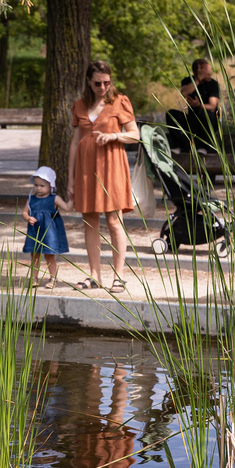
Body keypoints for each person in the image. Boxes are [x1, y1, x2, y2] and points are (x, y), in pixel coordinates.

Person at [68, 60, 140, 294]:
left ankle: (119, 277)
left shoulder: (120, 102)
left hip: (112, 166)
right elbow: (75, 143)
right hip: (86, 169)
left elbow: (135, 135)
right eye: (97, 83)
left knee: (113, 221)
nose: (102, 87)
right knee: (90, 221)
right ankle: (94, 276)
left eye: (106, 82)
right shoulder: (79, 105)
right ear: (89, 82)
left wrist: (114, 136)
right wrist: (70, 178)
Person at [22, 166, 71, 289]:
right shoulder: (31, 199)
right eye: (36, 185)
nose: (38, 188)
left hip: (49, 232)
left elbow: (67, 208)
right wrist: (28, 218)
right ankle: (34, 277)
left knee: (49, 255)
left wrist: (72, 199)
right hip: (35, 231)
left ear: (50, 186)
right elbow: (24, 212)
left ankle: (53, 278)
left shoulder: (54, 199)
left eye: (42, 185)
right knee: (35, 255)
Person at [166, 58, 220, 154]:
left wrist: (199, 105)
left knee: (206, 114)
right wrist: (198, 79)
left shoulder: (213, 84)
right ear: (199, 69)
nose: (209, 73)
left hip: (208, 121)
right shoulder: (188, 81)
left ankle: (204, 147)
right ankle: (179, 145)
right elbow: (184, 93)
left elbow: (212, 106)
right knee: (171, 114)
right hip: (192, 119)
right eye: (207, 71)